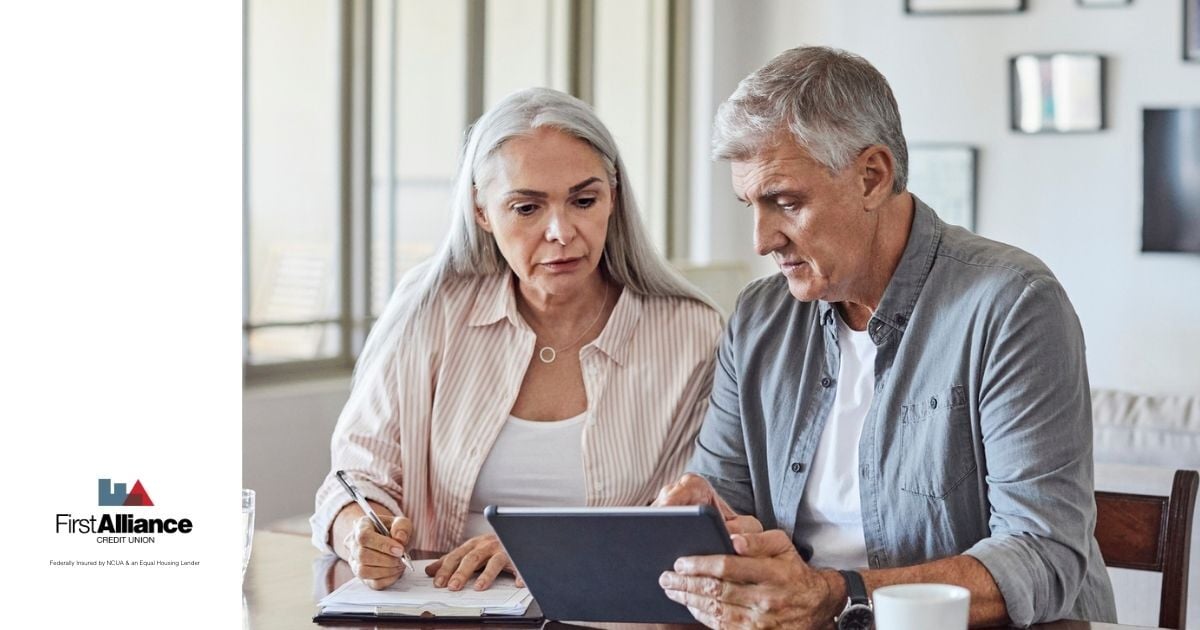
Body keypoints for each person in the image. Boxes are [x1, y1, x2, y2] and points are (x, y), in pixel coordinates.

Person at [654, 46, 1117, 629]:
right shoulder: (759, 317)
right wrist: (709, 527)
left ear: (872, 177)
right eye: (750, 205)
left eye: (786, 202)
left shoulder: (1013, 304)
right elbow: (728, 502)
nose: (762, 239)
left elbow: (1043, 555)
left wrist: (836, 595)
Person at [310, 87, 723, 593]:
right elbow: (356, 475)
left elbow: (692, 524)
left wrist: (539, 550)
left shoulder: (691, 335)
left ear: (613, 198)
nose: (561, 232)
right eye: (527, 208)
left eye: (584, 201)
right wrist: (360, 534)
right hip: (444, 611)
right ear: (482, 211)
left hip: (607, 613)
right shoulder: (431, 309)